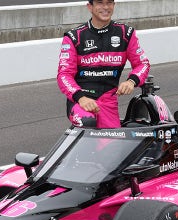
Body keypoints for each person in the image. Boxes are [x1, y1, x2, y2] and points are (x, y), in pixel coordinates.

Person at [57, 0, 150, 129]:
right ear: (90, 6)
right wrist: (81, 98)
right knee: (88, 123)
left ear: (114, 5)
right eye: (100, 3)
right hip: (81, 101)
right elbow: (64, 75)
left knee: (113, 145)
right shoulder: (74, 37)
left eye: (109, 3)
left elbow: (143, 64)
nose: (105, 7)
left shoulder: (126, 33)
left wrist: (131, 81)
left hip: (108, 101)